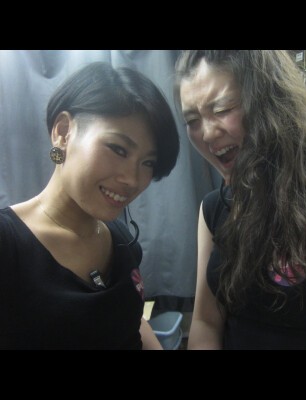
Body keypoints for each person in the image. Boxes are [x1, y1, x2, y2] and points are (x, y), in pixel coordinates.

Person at [174, 50, 306, 350]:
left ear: (268, 100)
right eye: (192, 120)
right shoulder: (213, 209)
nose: (208, 133)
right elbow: (205, 323)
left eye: (222, 109)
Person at [0, 61, 180, 349]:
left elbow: (132, 322)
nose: (132, 180)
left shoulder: (121, 239)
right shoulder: (9, 244)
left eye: (148, 163)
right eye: (118, 149)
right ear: (63, 132)